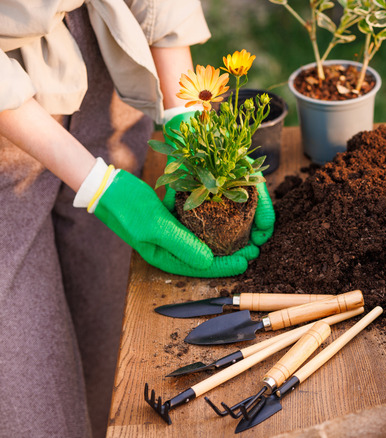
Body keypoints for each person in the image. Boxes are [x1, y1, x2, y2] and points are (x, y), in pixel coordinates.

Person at [0, 1, 273, 436]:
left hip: (104, 72)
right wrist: (100, 187)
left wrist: (188, 116)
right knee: (31, 407)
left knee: (110, 351)